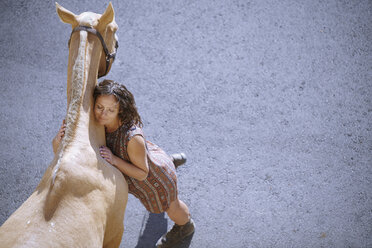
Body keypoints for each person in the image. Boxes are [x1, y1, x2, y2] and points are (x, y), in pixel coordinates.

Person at [52, 79, 194, 247]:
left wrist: (114, 159)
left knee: (172, 207)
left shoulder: (133, 138)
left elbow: (143, 173)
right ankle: (171, 161)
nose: (103, 114)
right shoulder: (98, 123)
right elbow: (63, 155)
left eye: (111, 110)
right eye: (99, 107)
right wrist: (58, 140)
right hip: (142, 160)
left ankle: (186, 227)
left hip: (154, 180)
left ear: (120, 110)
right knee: (148, 160)